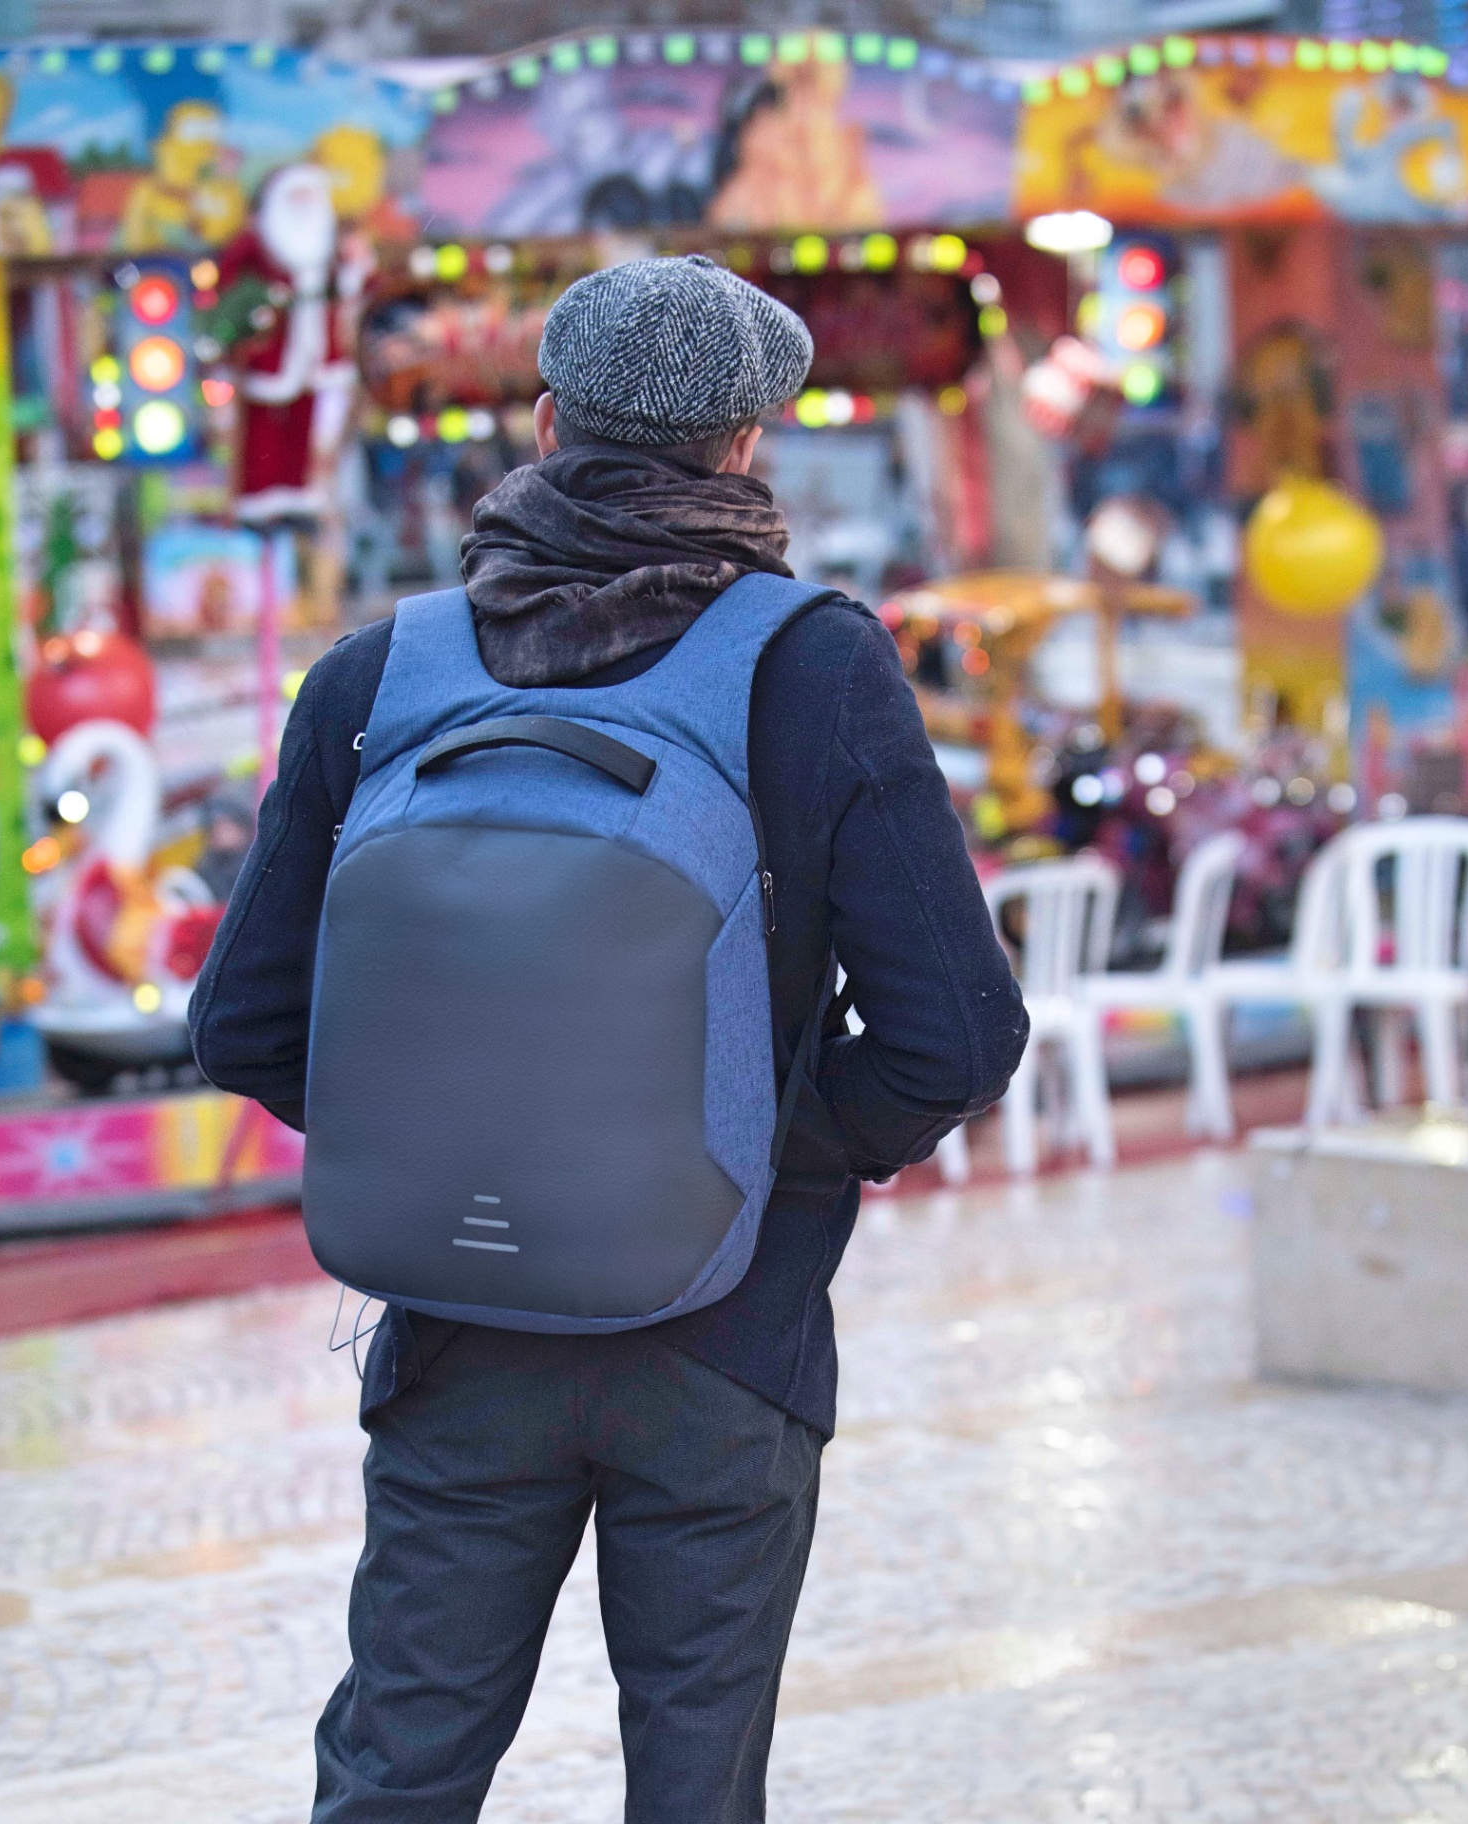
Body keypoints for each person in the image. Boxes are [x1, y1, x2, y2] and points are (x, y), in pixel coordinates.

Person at [190, 253, 1027, 1823]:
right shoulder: (815, 667)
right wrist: (751, 1143)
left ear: (550, 416)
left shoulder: (377, 676)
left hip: (456, 1335)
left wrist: (455, 1134)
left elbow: (241, 1020)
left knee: (399, 1773)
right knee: (695, 1787)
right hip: (726, 1339)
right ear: (745, 444)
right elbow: (957, 1035)